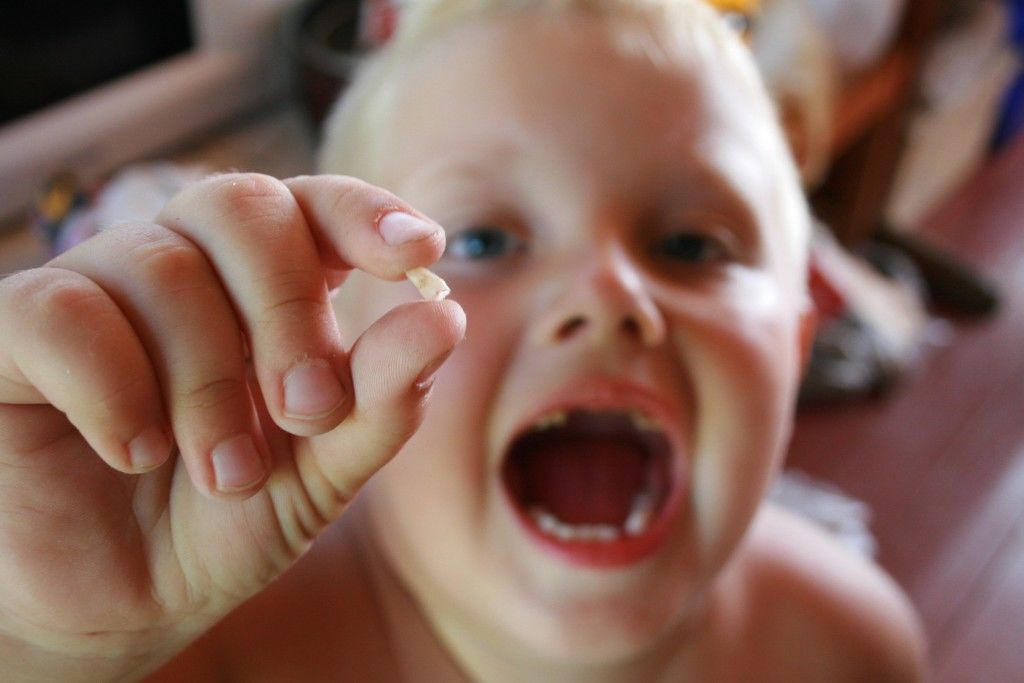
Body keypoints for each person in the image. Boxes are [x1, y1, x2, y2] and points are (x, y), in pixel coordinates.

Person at [0, 0, 927, 679]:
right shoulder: (202, 646)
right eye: (482, 242)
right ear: (333, 341)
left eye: (690, 246)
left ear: (798, 343)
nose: (607, 295)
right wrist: (56, 647)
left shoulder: (851, 644)